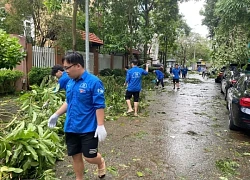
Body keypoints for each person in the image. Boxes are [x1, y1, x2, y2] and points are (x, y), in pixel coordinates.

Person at [48, 52, 107, 180]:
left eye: (67, 68)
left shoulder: (94, 82)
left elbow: (99, 105)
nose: (65, 71)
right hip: (71, 126)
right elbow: (69, 102)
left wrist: (100, 125)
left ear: (78, 66)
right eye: (64, 68)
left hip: (88, 128)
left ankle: (100, 161)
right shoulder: (69, 82)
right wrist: (56, 114)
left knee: (90, 157)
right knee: (75, 156)